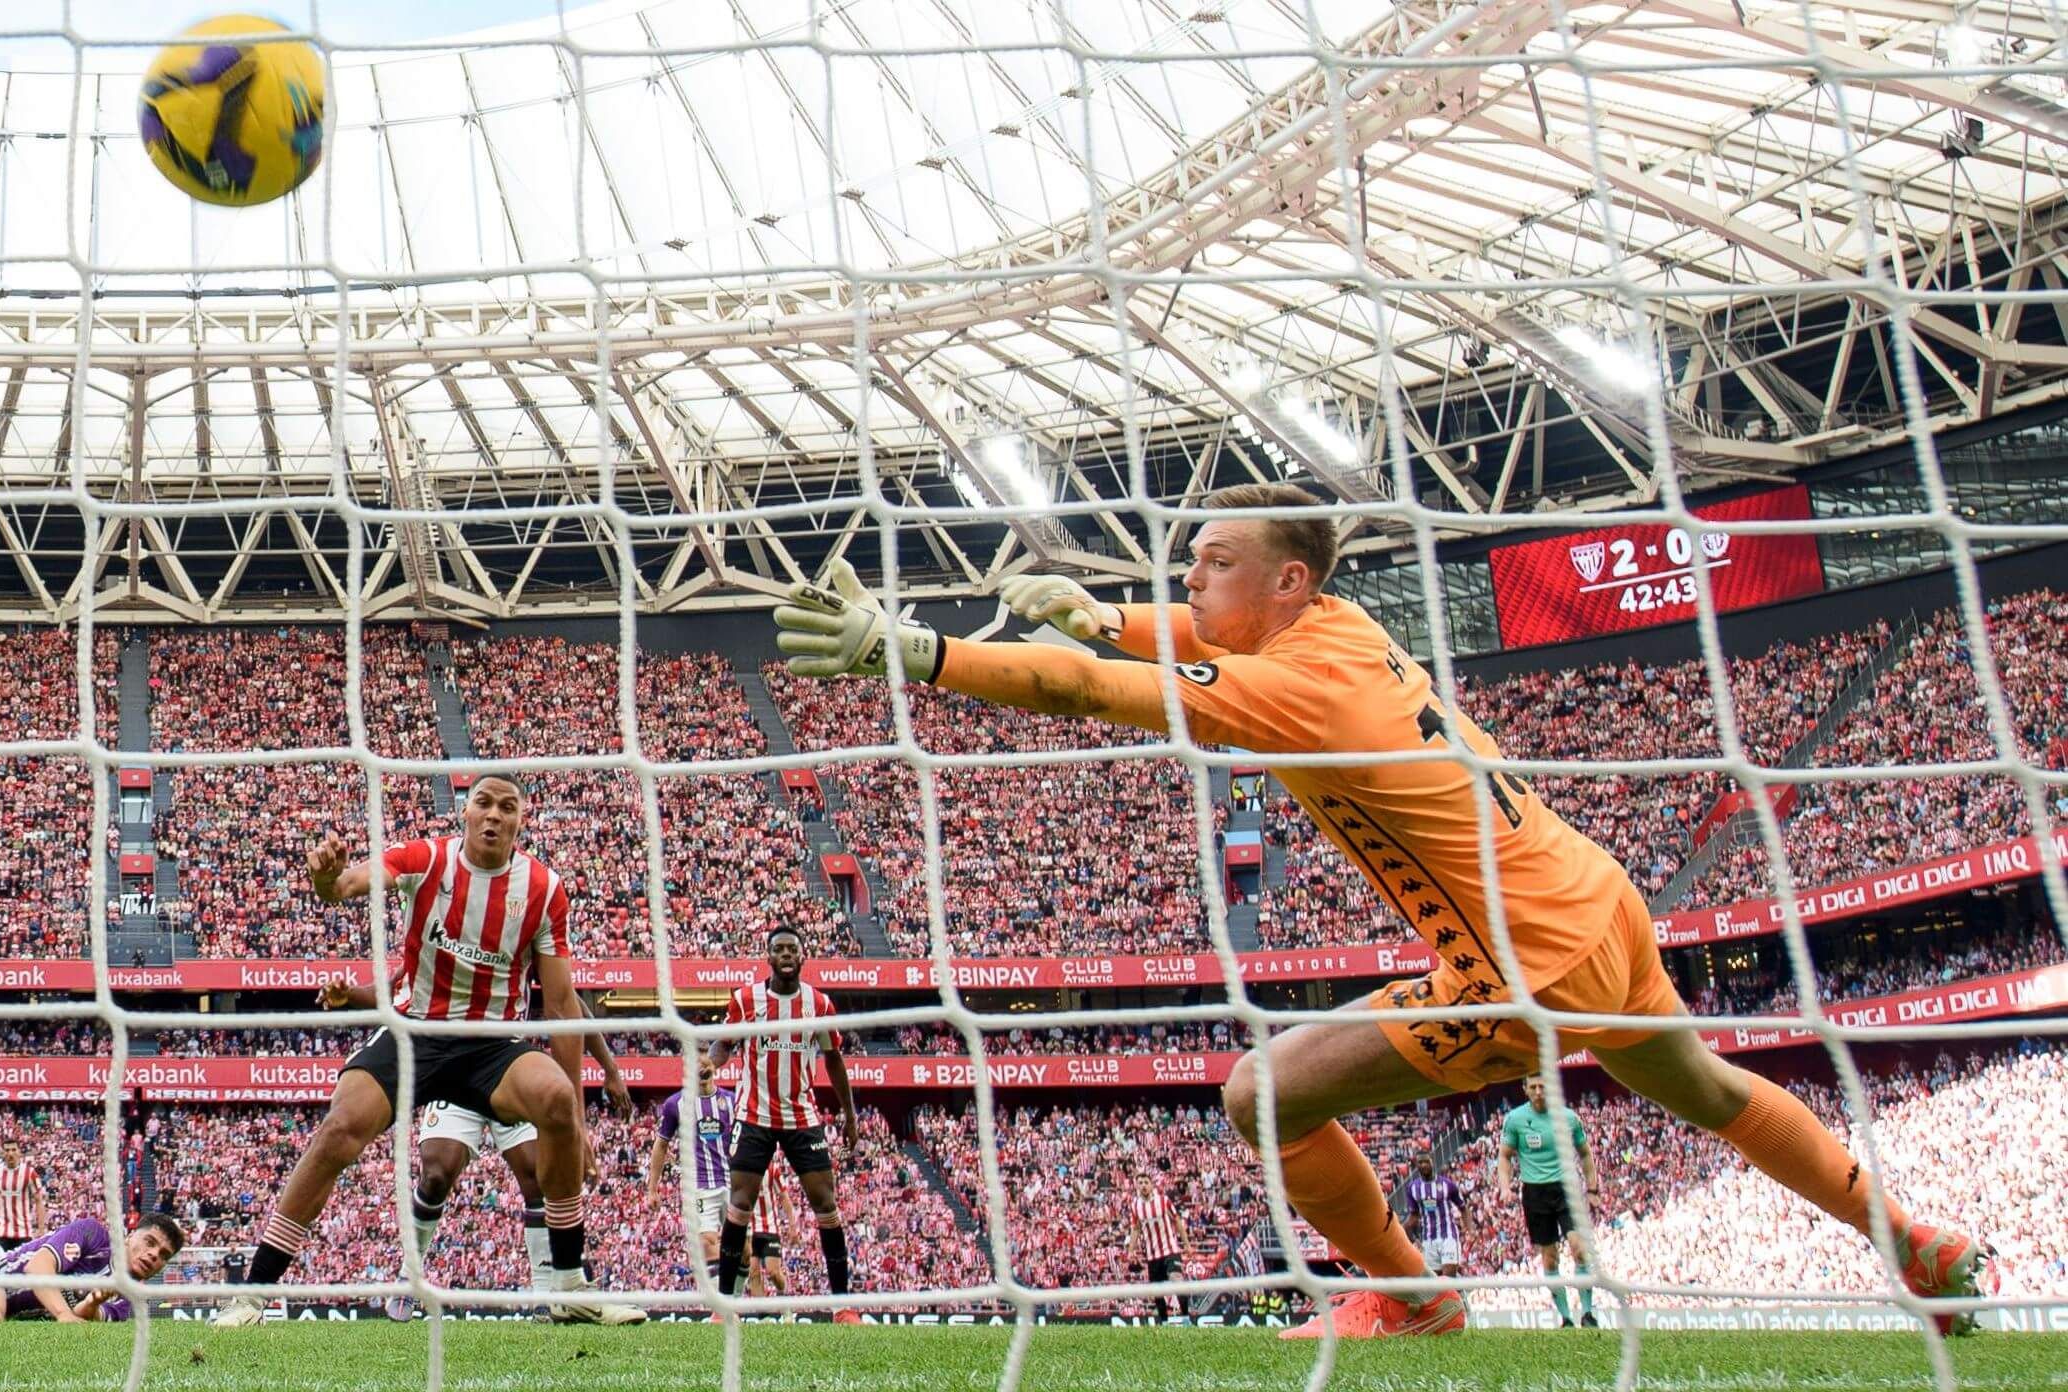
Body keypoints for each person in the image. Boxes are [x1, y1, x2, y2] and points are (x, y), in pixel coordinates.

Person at [772, 482, 1983, 1340]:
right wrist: (1106, 610)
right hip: (1593, 896)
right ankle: (1911, 1241)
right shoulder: (1340, 628)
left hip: (1527, 962)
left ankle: (1414, 1298)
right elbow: (1174, 637)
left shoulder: (1291, 692)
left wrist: (916, 650)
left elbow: (1089, 693)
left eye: (1215, 560)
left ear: (1288, 577)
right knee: (1713, 1094)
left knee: (1262, 1094)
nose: (1190, 579)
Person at [210, 774, 643, 1326]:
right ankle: (252, 1293)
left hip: (493, 1046)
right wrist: (324, 879)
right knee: (341, 1128)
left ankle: (569, 1287)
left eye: (506, 808)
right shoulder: (425, 859)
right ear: (465, 813)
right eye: (482, 803)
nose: (493, 816)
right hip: (415, 1034)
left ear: (520, 821)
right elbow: (345, 886)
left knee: (558, 1099)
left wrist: (578, 1125)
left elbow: (560, 1005)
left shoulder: (543, 889)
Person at [315, 974, 638, 1322]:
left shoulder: (520, 928)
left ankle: (546, 1298)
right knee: (437, 1173)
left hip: (506, 1067)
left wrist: (610, 1068)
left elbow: (568, 1004)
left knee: (536, 1176)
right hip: (454, 1067)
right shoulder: (442, 929)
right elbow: (395, 991)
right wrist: (349, 995)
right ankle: (409, 1277)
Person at [706, 926, 863, 1323]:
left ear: (803, 956)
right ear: (768, 957)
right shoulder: (746, 1001)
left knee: (826, 1203)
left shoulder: (820, 1005)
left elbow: (833, 1060)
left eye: (793, 948)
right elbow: (724, 1043)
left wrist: (849, 1113)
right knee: (739, 1205)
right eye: (779, 949)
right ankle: (725, 1307)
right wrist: (711, 1061)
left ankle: (842, 1305)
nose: (787, 954)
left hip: (801, 1116)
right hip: (753, 1114)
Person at [1497, 1080, 1597, 1326]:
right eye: (1533, 1087)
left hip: (1566, 1188)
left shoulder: (1569, 1118)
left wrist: (1593, 1188)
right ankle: (1565, 1317)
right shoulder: (1515, 1119)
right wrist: (1504, 1186)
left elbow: (1585, 1153)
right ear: (1525, 1089)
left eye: (1543, 1086)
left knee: (1579, 1248)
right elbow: (1505, 1156)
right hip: (1535, 1192)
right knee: (1550, 1257)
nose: (1539, 1092)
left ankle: (1587, 1313)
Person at [0, 1213, 182, 1322]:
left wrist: (92, 1303)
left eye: (164, 1255)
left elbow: (83, 1315)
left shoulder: (127, 1301)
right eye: (150, 1242)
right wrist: (62, 1313)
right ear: (130, 1236)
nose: (154, 1254)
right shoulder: (94, 1235)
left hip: (11, 1312)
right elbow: (38, 1267)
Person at [646, 1058, 738, 1291]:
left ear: (714, 1066)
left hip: (734, 1184)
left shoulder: (732, 1101)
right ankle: (722, 1307)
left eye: (706, 1063)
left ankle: (733, 1300)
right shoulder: (675, 1104)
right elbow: (661, 1145)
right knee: (707, 1241)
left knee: (743, 1248)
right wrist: (652, 1188)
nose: (702, 1068)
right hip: (700, 1187)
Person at [1128, 1171, 1189, 1320]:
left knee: (1177, 1279)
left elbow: (1177, 1221)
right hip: (1152, 1254)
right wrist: (1131, 1250)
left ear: (1151, 1185)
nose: (1143, 1186)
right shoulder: (1135, 1206)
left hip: (1170, 1249)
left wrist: (1187, 1244)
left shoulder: (1163, 1201)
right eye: (1140, 1183)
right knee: (1157, 1291)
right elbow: (1135, 1228)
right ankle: (1164, 1323)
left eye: (1146, 1182)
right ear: (1137, 1186)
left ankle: (1186, 1319)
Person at [1397, 1152, 1467, 1281]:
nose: (1424, 1165)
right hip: (1428, 1241)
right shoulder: (1412, 1188)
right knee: (1434, 1285)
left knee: (1447, 1280)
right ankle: (1457, 1296)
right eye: (1420, 1162)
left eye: (1426, 1161)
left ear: (1432, 1162)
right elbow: (1413, 1216)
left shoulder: (1447, 1184)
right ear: (1416, 1166)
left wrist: (1470, 1229)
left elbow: (1463, 1207)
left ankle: (1459, 1298)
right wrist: (1409, 1237)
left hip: (1448, 1237)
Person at [0, 1138, 48, 1250]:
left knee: (22, 1267)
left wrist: (41, 1229)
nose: (10, 1153)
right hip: (0, 1233)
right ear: (2, 1153)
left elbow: (39, 1201)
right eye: (7, 1150)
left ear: (19, 1152)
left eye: (13, 1149)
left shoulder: (29, 1173)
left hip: (23, 1233)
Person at [744, 1161, 793, 1308]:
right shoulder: (742, 1168)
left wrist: (792, 1226)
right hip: (750, 1230)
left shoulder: (772, 1169)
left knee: (773, 1273)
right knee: (753, 1273)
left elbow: (784, 1197)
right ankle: (763, 1315)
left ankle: (785, 1303)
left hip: (770, 1228)